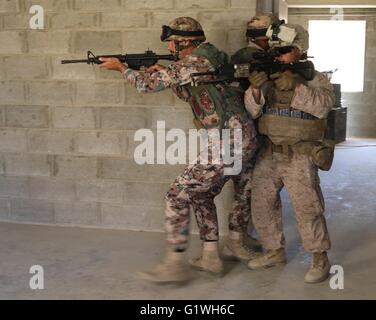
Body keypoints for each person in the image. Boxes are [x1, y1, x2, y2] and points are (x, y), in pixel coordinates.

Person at [98, 17, 258, 283]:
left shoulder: (196, 61)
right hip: (237, 138)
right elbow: (189, 93)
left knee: (177, 194)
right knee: (199, 193)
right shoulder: (205, 60)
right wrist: (161, 71)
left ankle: (174, 263)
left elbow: (145, 85)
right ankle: (210, 257)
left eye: (172, 42)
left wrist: (122, 69)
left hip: (231, 140)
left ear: (184, 42)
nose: (170, 47)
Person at [244, 22, 335, 283]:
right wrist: (256, 89)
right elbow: (252, 111)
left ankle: (320, 258)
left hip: (300, 154)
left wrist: (296, 87)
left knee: (308, 208)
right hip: (270, 152)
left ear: (299, 50)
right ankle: (274, 251)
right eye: (275, 50)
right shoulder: (268, 75)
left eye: (284, 50)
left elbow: (323, 108)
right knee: (261, 204)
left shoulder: (315, 78)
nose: (278, 55)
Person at [229, 13, 278, 248]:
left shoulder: (255, 55)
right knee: (245, 186)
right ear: (262, 37)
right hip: (247, 128)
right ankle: (237, 239)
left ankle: (241, 235)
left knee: (247, 187)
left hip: (250, 128)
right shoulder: (248, 58)